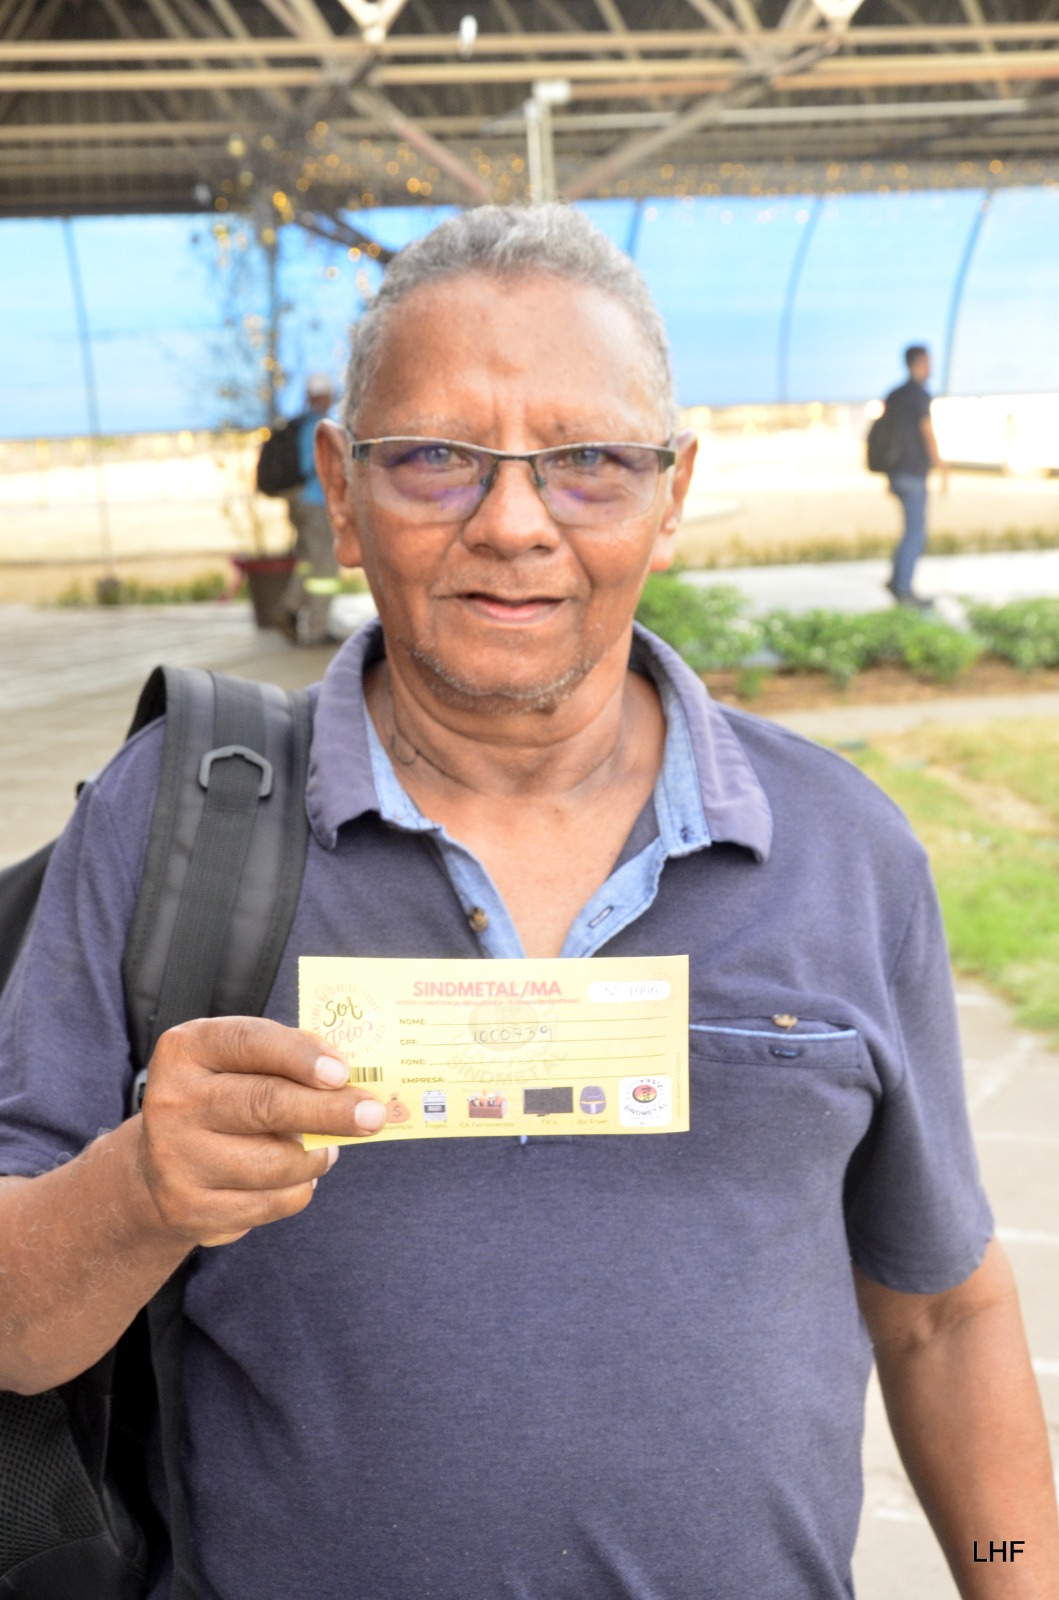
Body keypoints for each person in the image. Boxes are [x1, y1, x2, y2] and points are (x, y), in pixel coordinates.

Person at [1, 206, 1057, 1600]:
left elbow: (941, 1316)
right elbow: (16, 1327)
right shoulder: (178, 825)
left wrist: (1016, 1576)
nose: (511, 524)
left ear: (671, 492)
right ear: (341, 489)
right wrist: (140, 1185)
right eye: (434, 458)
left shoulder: (840, 849)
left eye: (588, 462)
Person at [274, 371, 340, 644]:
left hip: (302, 503)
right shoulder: (318, 427)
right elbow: (311, 465)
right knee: (325, 568)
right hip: (316, 504)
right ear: (321, 397)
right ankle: (316, 629)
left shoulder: (301, 424)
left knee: (308, 562)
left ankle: (288, 609)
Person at [884, 343, 949, 608]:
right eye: (928, 361)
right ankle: (903, 588)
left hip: (896, 471)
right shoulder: (919, 395)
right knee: (916, 533)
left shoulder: (895, 394)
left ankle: (897, 580)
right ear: (920, 362)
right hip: (912, 472)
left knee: (909, 531)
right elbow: (926, 431)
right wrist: (941, 464)